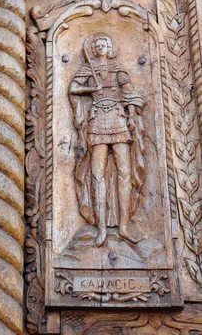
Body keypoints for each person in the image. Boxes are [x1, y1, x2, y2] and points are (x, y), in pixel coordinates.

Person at [69, 33, 145, 247]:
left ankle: (124, 226)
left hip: (118, 118)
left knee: (124, 172)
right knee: (97, 173)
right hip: (97, 119)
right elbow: (73, 89)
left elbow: (129, 93)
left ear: (111, 48)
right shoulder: (87, 68)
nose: (102, 46)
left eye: (105, 44)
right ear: (93, 48)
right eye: (98, 44)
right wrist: (92, 89)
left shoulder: (118, 69)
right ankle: (101, 228)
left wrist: (131, 115)